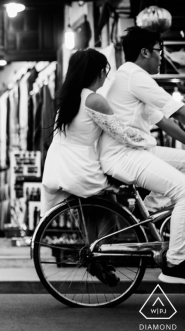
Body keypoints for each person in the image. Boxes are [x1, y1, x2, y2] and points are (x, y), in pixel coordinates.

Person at [98, 27, 185, 284]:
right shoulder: (135, 76)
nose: (162, 56)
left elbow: (168, 123)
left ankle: (153, 209)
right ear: (145, 51)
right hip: (124, 155)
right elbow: (179, 112)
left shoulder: (131, 78)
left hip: (139, 151)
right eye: (160, 50)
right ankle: (176, 261)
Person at [41, 48, 153, 215]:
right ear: (100, 72)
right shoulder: (94, 100)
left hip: (59, 165)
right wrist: (149, 142)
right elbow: (122, 134)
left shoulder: (70, 99)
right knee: (109, 216)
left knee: (91, 223)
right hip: (81, 168)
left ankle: (94, 243)